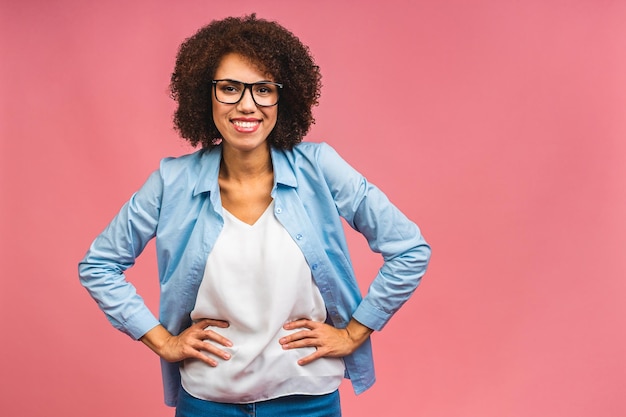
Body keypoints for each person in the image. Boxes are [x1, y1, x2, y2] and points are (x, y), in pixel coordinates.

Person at [78, 14, 431, 417]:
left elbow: (409, 249)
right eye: (229, 88)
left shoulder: (320, 168)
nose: (247, 104)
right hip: (207, 404)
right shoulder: (171, 182)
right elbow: (99, 265)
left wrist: (355, 331)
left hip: (308, 403)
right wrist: (162, 340)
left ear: (284, 97)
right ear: (205, 95)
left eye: (263, 89)